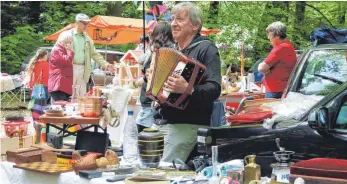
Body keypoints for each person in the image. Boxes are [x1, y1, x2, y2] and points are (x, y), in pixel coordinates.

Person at [146, 2, 221, 162]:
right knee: (146, 165)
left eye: (179, 19)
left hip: (188, 124)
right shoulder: (172, 49)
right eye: (172, 19)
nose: (173, 24)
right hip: (161, 121)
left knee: (162, 171)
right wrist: (150, 77)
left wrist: (188, 88)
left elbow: (215, 89)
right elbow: (160, 88)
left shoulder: (207, 49)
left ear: (195, 25)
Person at [56, 13, 115, 98]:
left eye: (88, 23)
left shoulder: (88, 39)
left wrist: (106, 65)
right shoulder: (66, 35)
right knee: (67, 95)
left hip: (83, 69)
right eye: (84, 23)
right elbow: (58, 53)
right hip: (68, 68)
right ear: (77, 22)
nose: (87, 25)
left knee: (81, 96)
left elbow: (94, 54)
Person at [136, 21, 175, 133]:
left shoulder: (157, 53)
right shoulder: (169, 51)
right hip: (156, 102)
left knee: (145, 139)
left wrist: (143, 79)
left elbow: (151, 74)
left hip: (150, 102)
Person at [258, 21, 297, 99]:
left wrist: (267, 70)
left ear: (277, 35)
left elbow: (261, 68)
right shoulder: (288, 46)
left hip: (275, 90)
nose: (268, 37)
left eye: (270, 35)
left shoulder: (281, 48)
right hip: (280, 88)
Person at [48, 34, 74, 102]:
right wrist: (70, 51)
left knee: (62, 106)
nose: (71, 45)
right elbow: (67, 61)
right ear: (65, 43)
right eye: (70, 43)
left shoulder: (61, 49)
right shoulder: (57, 50)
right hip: (59, 84)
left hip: (62, 84)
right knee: (60, 106)